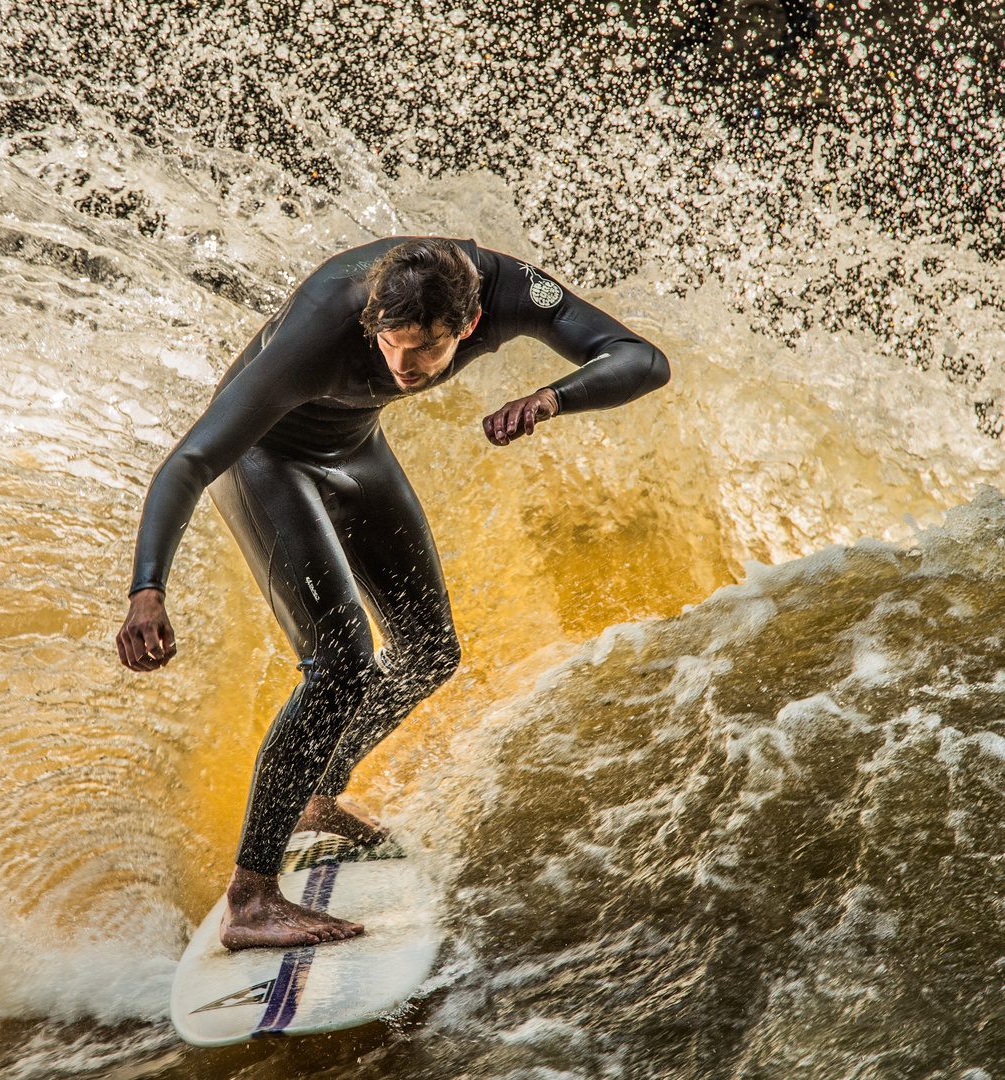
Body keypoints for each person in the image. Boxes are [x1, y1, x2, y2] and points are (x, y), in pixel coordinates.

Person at [116, 237, 670, 950]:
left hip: (352, 446)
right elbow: (191, 458)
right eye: (390, 346)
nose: (403, 367)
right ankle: (250, 899)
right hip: (265, 460)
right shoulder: (323, 328)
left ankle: (318, 795)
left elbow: (642, 360)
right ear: (372, 319)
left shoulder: (504, 292)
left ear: (468, 327)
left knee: (429, 650)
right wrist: (147, 590)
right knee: (340, 659)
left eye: (425, 351)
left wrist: (551, 398)